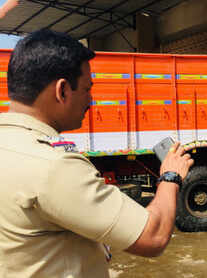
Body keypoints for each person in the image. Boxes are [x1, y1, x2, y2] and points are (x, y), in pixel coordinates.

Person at [0, 29, 194, 277]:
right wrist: (170, 177)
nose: (90, 101)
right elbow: (152, 236)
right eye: (87, 89)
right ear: (62, 91)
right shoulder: (53, 166)